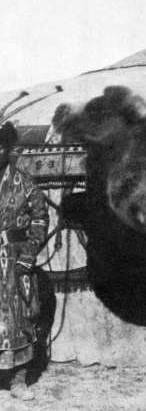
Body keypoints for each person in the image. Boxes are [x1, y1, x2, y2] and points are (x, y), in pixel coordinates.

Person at [0, 121, 49, 400]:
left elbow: (40, 219)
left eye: (0, 146)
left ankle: (18, 380)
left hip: (14, 259)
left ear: (8, 149)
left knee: (18, 321)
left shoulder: (24, 183)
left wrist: (28, 254)